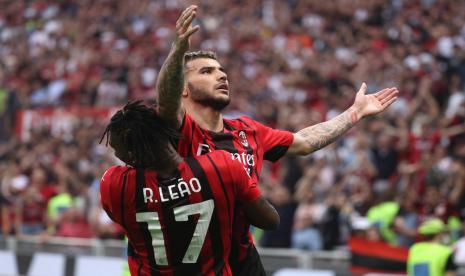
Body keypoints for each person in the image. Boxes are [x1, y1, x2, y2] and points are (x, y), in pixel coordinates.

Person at [155, 5, 399, 275]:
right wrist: (177, 52)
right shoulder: (177, 129)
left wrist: (354, 114)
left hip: (243, 261)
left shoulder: (247, 130)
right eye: (206, 72)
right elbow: (166, 99)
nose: (221, 75)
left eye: (221, 70)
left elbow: (304, 141)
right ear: (184, 89)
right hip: (190, 264)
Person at [99, 101, 279, 275]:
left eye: (117, 150)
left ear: (131, 155)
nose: (116, 155)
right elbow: (270, 221)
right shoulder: (221, 166)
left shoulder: (114, 185)